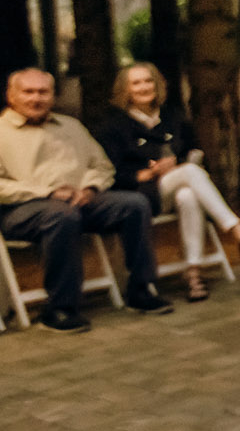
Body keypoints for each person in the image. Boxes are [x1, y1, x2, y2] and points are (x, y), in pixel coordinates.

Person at [0, 68, 173, 332]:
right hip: (21, 210)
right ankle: (60, 307)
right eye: (28, 92)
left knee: (133, 204)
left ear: (52, 96)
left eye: (43, 92)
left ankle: (140, 290)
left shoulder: (71, 126)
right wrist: (46, 192)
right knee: (61, 215)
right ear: (11, 96)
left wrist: (90, 187)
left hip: (81, 200)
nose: (36, 98)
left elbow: (102, 166)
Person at [94, 63, 240, 301]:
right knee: (189, 173)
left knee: (188, 194)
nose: (144, 87)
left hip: (175, 186)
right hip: (140, 195)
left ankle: (193, 272)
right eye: (136, 83)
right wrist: (145, 174)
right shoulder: (113, 127)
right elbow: (109, 172)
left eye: (148, 81)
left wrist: (175, 162)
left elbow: (193, 151)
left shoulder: (172, 117)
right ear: (125, 90)